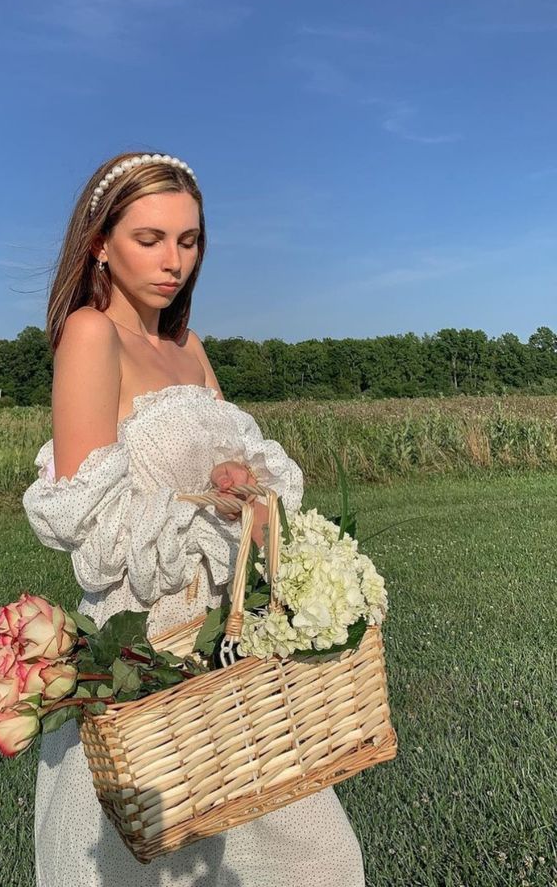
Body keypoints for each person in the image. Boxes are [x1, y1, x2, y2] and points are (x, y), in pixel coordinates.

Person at [22, 151, 366, 886]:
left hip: (232, 631)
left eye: (189, 239)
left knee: (315, 851)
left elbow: (235, 464)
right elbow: (96, 523)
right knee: (149, 858)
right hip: (149, 636)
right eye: (150, 238)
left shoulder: (187, 346)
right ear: (100, 244)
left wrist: (235, 483)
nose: (174, 259)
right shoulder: (92, 335)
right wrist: (208, 514)